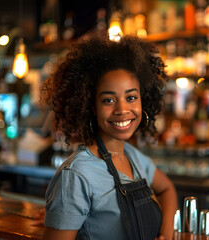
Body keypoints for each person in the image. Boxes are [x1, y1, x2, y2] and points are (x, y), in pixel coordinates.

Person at [39, 34, 178, 240]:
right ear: (91, 106)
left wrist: (166, 234)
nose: (122, 109)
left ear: (143, 101)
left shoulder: (133, 157)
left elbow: (167, 190)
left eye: (131, 97)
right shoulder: (77, 175)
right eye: (108, 100)